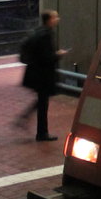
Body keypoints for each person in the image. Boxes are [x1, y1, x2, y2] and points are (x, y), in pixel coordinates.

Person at [17, 10, 68, 141]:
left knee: (41, 101)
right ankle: (41, 133)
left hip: (36, 73)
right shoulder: (46, 35)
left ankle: (26, 118)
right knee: (43, 104)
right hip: (43, 75)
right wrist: (58, 55)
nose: (58, 19)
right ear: (49, 20)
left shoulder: (39, 31)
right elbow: (47, 57)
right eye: (55, 17)